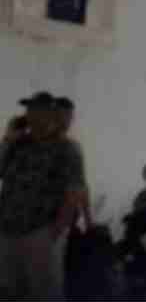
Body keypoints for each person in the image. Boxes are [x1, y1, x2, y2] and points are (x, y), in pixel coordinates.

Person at [0, 92, 86, 301]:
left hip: (40, 232)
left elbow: (74, 191)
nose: (29, 114)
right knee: (10, 293)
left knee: (43, 295)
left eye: (36, 110)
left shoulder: (66, 149)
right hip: (8, 230)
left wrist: (55, 232)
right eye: (28, 109)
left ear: (50, 115)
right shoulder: (17, 144)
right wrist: (7, 138)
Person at [54, 97, 92, 230]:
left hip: (65, 219)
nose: (67, 120)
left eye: (69, 116)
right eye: (63, 114)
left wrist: (89, 223)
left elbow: (82, 185)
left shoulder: (74, 147)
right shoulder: (36, 145)